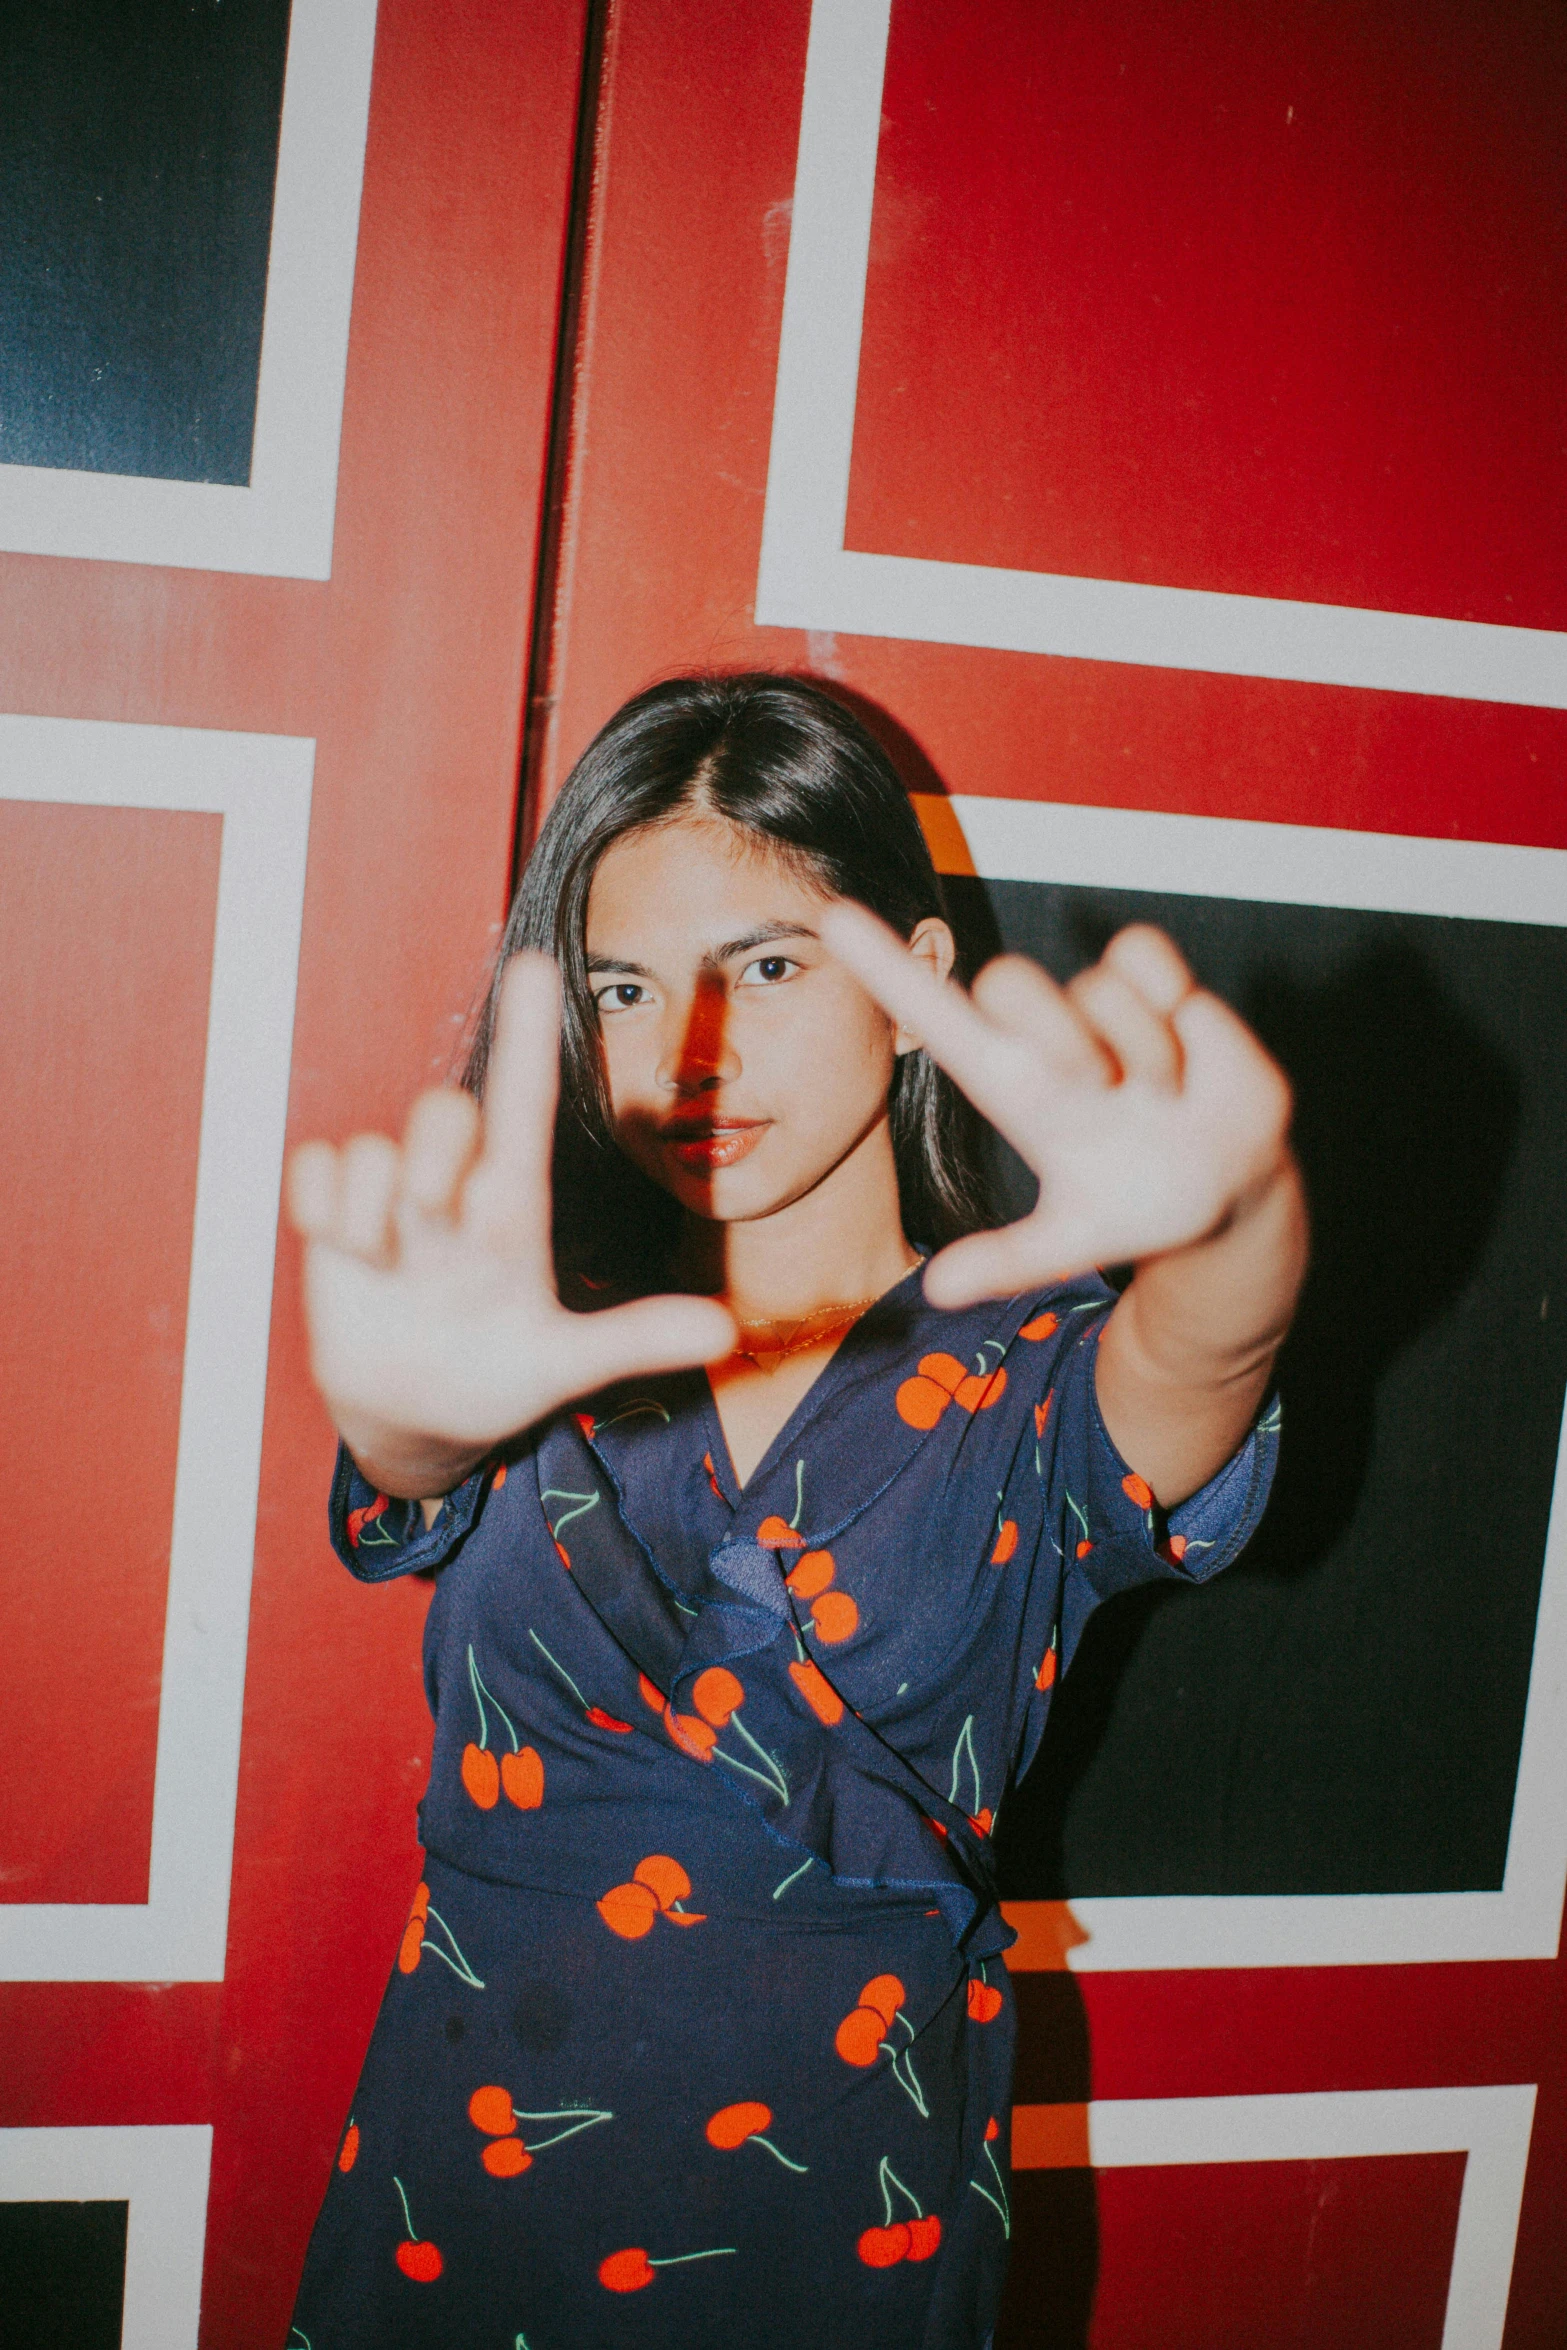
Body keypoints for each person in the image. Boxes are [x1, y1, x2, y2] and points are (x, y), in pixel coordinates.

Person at [284, 673, 1306, 2349]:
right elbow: (404, 1474)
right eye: (624, 984)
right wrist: (395, 1420)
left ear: (914, 990)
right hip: (459, 2212)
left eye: (768, 963)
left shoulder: (1039, 1381)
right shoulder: (522, 1329)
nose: (694, 1047)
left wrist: (1234, 1221)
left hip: (837, 2234)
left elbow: (1211, 1348)